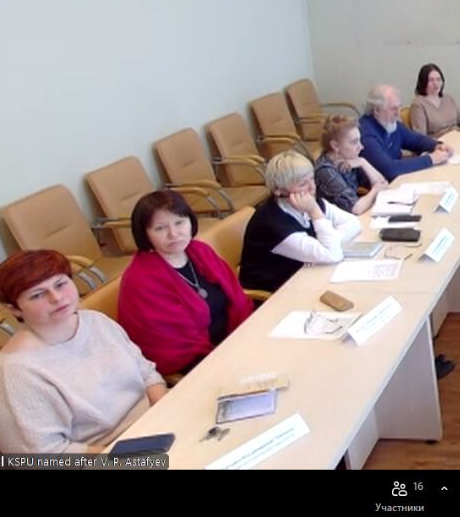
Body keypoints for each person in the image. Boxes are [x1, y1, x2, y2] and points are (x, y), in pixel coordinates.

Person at [0, 250, 167, 454]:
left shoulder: (96, 320)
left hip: (157, 427)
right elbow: (44, 456)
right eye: (37, 295)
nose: (56, 298)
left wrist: (166, 412)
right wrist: (130, 455)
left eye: (60, 284)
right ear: (13, 308)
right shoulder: (10, 374)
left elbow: (147, 373)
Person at [118, 191, 255, 377]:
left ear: (191, 221)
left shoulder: (200, 251)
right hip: (198, 363)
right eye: (160, 228)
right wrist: (231, 356)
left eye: (179, 222)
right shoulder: (140, 281)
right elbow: (172, 347)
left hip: (236, 339)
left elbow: (237, 300)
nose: (173, 234)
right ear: (145, 234)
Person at [239, 151, 362, 294]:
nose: (312, 188)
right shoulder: (272, 222)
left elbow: (353, 222)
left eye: (312, 179)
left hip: (305, 276)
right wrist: (315, 213)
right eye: (303, 183)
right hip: (277, 293)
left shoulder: (309, 200)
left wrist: (329, 243)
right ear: (279, 190)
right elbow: (333, 255)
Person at [359, 84, 455, 179]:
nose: (398, 114)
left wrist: (437, 145)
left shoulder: (389, 122)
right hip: (381, 186)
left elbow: (416, 140)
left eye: (399, 107)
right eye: (393, 109)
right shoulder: (365, 134)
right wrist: (431, 159)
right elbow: (390, 169)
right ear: (377, 110)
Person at [314, 115, 389, 215]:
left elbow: (383, 184)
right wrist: (375, 190)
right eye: (354, 142)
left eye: (359, 141)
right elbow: (355, 209)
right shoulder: (325, 171)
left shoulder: (351, 160)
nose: (361, 147)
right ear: (335, 146)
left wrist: (363, 162)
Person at [408, 63, 460, 138]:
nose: (436, 84)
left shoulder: (448, 98)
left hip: (459, 137)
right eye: (431, 80)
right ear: (423, 82)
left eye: (438, 79)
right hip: (439, 142)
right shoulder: (418, 105)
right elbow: (421, 137)